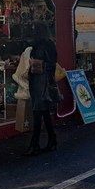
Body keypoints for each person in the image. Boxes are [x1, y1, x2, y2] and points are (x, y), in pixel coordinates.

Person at [25, 22, 57, 156]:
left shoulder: (47, 44)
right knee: (42, 113)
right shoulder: (39, 44)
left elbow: (52, 63)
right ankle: (51, 139)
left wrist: (39, 66)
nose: (32, 31)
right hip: (36, 81)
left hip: (42, 82)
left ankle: (35, 144)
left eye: (34, 29)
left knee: (38, 113)